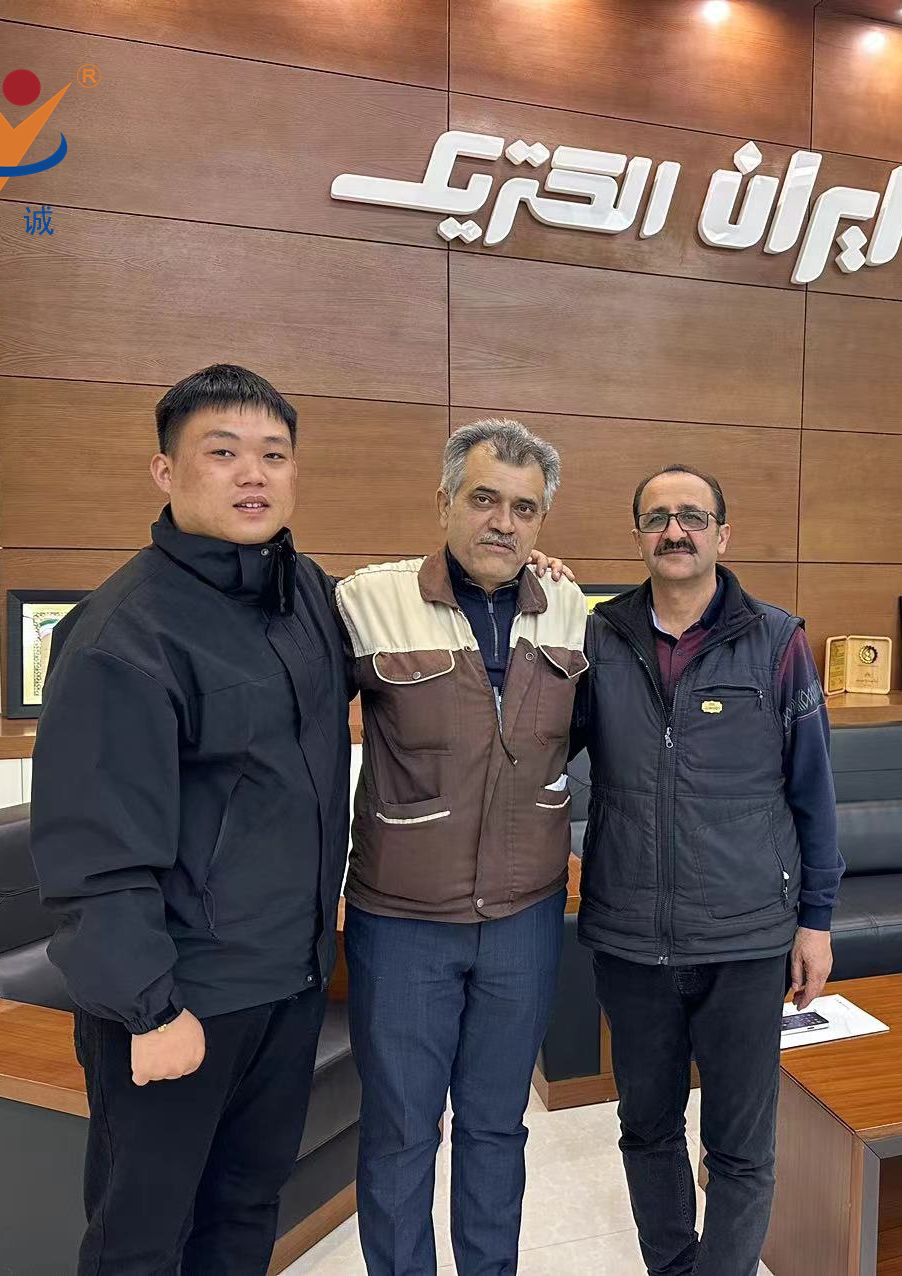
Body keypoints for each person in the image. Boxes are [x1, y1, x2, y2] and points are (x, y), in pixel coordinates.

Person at [30, 363, 352, 1275]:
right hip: (182, 998)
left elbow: (415, 622)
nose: (253, 474)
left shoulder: (306, 594)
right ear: (165, 471)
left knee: (245, 1214)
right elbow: (96, 852)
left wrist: (520, 576)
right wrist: (151, 1010)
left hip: (289, 981)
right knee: (140, 1240)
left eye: (273, 455)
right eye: (223, 453)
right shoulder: (122, 633)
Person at [573, 464, 844, 1276]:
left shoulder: (778, 640)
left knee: (741, 1149)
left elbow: (814, 793)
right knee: (647, 1131)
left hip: (746, 938)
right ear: (637, 536)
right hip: (630, 937)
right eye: (657, 517)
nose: (675, 530)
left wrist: (816, 921)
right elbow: (539, 746)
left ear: (723, 534)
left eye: (692, 516)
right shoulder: (597, 637)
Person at [333, 419, 588, 1275]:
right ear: (443, 501)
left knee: (495, 1128)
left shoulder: (572, 610)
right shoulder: (367, 602)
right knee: (401, 1131)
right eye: (484, 499)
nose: (503, 523)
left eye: (524, 508)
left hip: (525, 920)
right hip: (402, 924)